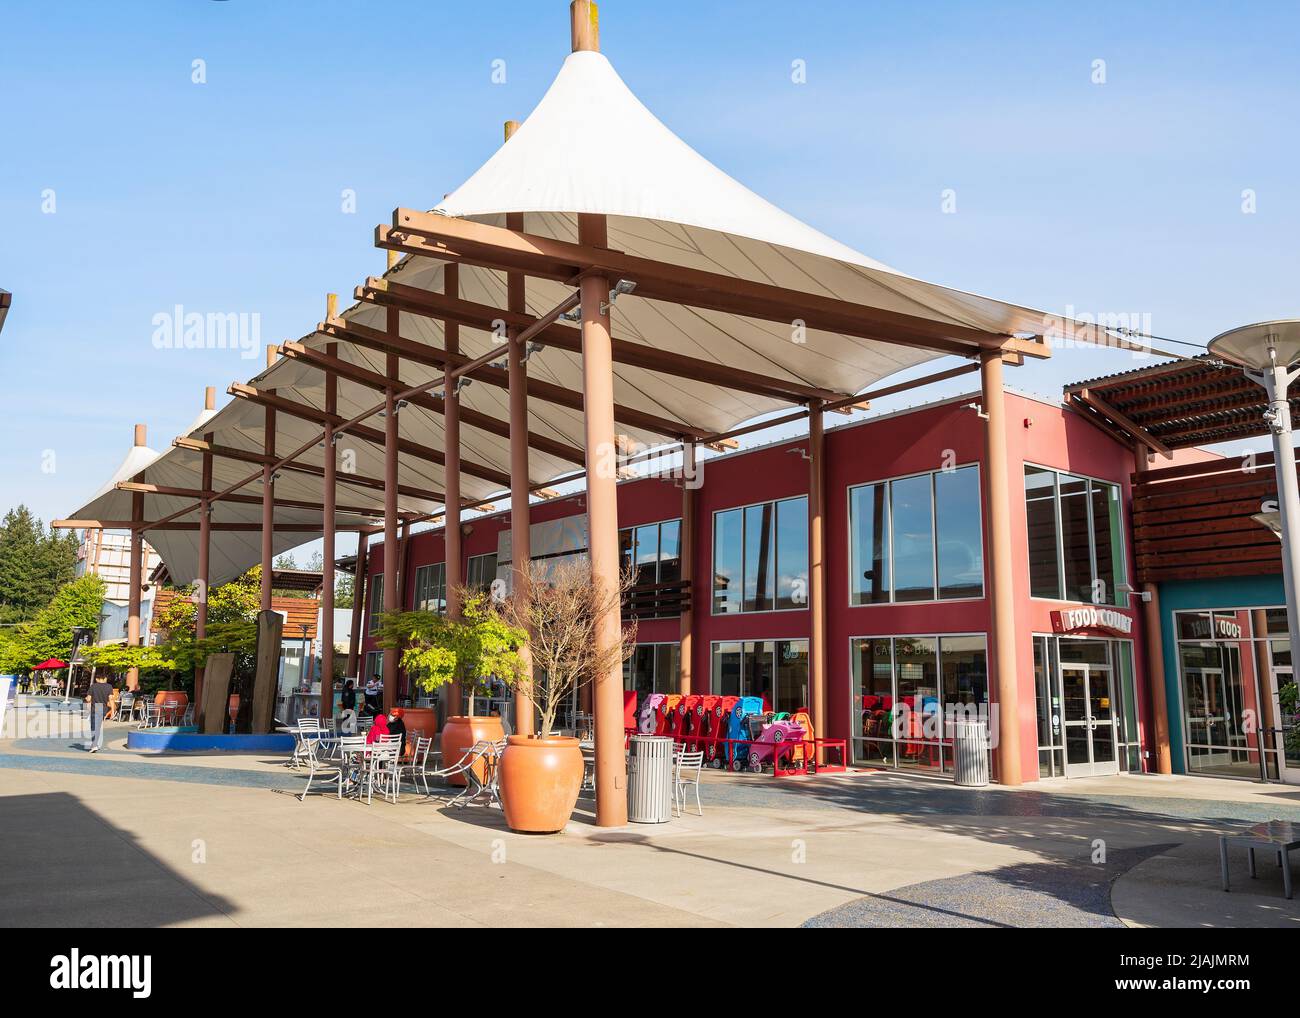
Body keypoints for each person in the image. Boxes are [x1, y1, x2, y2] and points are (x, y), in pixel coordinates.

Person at [84, 674, 113, 753]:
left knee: (94, 727)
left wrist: (86, 699)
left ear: (97, 679)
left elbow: (89, 699)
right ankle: (94, 744)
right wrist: (112, 711)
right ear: (105, 678)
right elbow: (111, 699)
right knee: (97, 726)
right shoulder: (109, 686)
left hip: (96, 707)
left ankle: (94, 745)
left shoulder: (93, 686)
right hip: (104, 708)